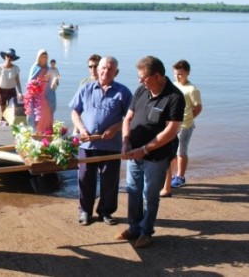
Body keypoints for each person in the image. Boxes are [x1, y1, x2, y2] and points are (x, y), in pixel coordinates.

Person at [118, 56, 185, 248]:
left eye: (144, 77)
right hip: (133, 154)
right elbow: (128, 119)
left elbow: (171, 131)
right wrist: (125, 142)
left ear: (157, 76)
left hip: (155, 158)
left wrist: (145, 149)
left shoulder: (174, 97)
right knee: (133, 191)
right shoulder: (141, 90)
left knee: (150, 195)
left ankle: (146, 231)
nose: (140, 81)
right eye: (139, 77)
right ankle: (133, 228)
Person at [69, 56, 132, 226]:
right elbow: (75, 112)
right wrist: (81, 129)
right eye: (103, 68)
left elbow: (130, 118)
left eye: (110, 69)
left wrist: (115, 128)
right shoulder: (86, 89)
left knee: (109, 181)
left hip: (111, 146)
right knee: (84, 178)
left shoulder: (123, 92)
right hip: (87, 144)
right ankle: (85, 212)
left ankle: (106, 211)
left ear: (116, 72)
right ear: (97, 70)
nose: (106, 71)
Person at [160, 60, 203, 196]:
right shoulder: (172, 86)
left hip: (185, 125)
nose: (177, 76)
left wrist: (189, 118)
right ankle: (172, 176)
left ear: (187, 73)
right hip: (172, 124)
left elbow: (198, 107)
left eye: (180, 74)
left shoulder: (192, 89)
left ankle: (181, 176)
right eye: (175, 74)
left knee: (181, 151)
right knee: (171, 151)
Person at [27, 49, 56, 133]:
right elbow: (30, 82)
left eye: (45, 57)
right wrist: (35, 84)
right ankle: (38, 131)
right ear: (38, 58)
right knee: (38, 113)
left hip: (47, 93)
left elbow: (54, 79)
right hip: (37, 95)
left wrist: (55, 82)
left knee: (47, 112)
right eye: (42, 57)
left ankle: (47, 132)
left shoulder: (49, 69)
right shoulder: (34, 68)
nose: (44, 58)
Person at [0, 48, 24, 124]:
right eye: (8, 56)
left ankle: (10, 125)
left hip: (12, 90)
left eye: (11, 57)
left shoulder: (15, 68)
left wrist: (20, 92)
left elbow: (18, 82)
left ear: (13, 59)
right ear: (5, 57)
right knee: (2, 110)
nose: (9, 58)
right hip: (1, 90)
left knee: (12, 109)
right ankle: (2, 125)